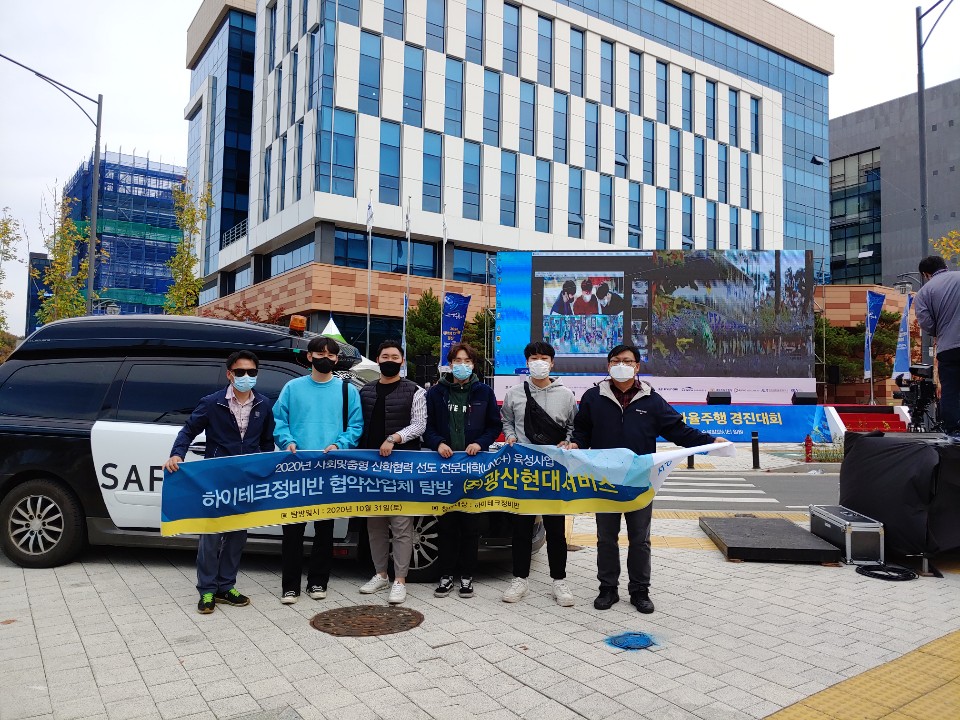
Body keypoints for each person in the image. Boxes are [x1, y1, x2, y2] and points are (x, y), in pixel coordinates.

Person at [569, 344, 724, 614]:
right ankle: (608, 588)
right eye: (616, 361)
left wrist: (709, 442)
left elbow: (679, 430)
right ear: (608, 366)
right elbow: (582, 430)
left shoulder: (651, 400)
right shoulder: (593, 397)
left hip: (640, 481)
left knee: (640, 539)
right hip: (605, 481)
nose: (621, 365)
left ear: (637, 366)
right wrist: (575, 444)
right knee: (606, 537)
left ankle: (640, 591)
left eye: (627, 361)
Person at [164, 350, 276, 615]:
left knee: (237, 535)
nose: (246, 376)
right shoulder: (212, 403)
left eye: (251, 372)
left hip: (246, 481)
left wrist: (263, 465)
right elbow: (188, 430)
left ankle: (226, 586)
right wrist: (177, 454)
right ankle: (207, 590)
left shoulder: (263, 404)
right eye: (240, 372)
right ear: (229, 374)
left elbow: (267, 441)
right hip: (216, 479)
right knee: (211, 536)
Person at [273, 336, 363, 604]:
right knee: (293, 530)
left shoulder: (347, 391)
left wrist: (340, 444)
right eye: (320, 353)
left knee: (325, 530)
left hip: (329, 470)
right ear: (309, 356)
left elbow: (355, 426)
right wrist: (287, 441)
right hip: (296, 469)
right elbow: (279, 420)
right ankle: (290, 586)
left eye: (331, 355)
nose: (326, 358)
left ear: (336, 359)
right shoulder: (293, 388)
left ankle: (318, 582)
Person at [500, 341, 578, 606]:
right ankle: (519, 579)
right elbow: (507, 420)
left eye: (544, 358)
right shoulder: (514, 394)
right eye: (534, 358)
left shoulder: (566, 395)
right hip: (524, 469)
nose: (539, 362)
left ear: (552, 363)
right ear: (527, 362)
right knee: (521, 528)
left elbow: (573, 426)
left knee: (556, 529)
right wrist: (510, 436)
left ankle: (559, 580)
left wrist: (567, 442)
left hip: (553, 470)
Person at [423, 342, 502, 599]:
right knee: (446, 525)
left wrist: (480, 443)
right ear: (450, 363)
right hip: (444, 469)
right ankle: (446, 575)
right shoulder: (436, 393)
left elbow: (494, 426)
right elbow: (427, 426)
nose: (462, 365)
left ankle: (467, 576)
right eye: (458, 360)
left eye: (467, 361)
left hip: (472, 468)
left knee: (470, 526)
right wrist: (438, 443)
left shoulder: (484, 392)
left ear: (474, 365)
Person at [357, 340, 426, 605]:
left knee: (401, 525)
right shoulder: (365, 391)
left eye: (395, 357)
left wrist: (394, 438)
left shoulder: (415, 391)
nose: (389, 360)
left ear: (402, 361)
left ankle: (400, 580)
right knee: (374, 525)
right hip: (370, 468)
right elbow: (358, 425)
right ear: (377, 359)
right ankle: (380, 574)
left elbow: (419, 425)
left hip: (401, 467)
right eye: (385, 356)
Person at [914, 254, 960, 438]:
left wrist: (942, 329)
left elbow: (928, 325)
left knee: (951, 389)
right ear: (945, 266)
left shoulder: (923, 293)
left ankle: (954, 431)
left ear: (926, 274)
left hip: (948, 348)